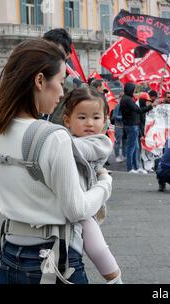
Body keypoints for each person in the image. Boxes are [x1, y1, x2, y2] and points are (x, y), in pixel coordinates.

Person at [0, 38, 112, 284]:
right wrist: (105, 185)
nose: (63, 92)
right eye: (61, 82)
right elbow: (76, 210)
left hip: (10, 253)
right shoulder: (53, 137)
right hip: (54, 259)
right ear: (40, 80)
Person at [62, 87, 122, 284]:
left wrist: (52, 140)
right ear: (67, 120)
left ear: (105, 121)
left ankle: (115, 279)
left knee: (98, 249)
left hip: (85, 206)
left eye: (96, 117)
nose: (89, 123)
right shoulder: (65, 139)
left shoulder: (101, 142)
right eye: (82, 117)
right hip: (73, 202)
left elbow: (73, 149)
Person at [120, 82, 154, 173]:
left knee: (136, 147)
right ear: (130, 90)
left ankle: (136, 167)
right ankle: (130, 168)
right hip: (131, 126)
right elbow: (139, 110)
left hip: (132, 125)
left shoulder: (126, 99)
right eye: (134, 90)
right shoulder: (127, 100)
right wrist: (151, 106)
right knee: (132, 147)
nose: (135, 92)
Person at [112, 92, 125, 162]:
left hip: (125, 127)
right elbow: (114, 116)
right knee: (118, 142)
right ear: (120, 98)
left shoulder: (126, 106)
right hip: (118, 126)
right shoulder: (117, 106)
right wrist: (123, 117)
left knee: (125, 142)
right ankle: (117, 156)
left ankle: (123, 155)